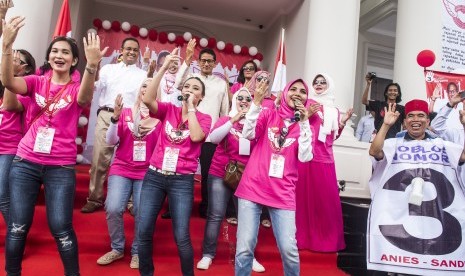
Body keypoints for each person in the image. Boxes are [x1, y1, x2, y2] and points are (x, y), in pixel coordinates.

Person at [1, 16, 106, 275]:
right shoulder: (37, 82)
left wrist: (92, 67)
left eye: (66, 52)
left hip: (60, 167)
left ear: (73, 60)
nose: (60, 55)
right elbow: (8, 82)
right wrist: (6, 46)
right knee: (17, 226)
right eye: (55, 51)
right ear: (49, 58)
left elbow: (84, 97)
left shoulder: (75, 87)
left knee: (61, 227)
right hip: (25, 162)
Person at [367, 100, 465, 275]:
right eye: (410, 116)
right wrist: (386, 125)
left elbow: (462, 156)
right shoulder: (393, 144)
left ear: (428, 121)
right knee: (399, 267)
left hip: (434, 218)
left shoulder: (441, 145)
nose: (415, 119)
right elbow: (375, 151)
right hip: (400, 217)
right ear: (404, 122)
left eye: (421, 115)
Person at [138, 48, 212, 276]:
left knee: (181, 236)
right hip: (154, 176)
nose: (190, 90)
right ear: (181, 89)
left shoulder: (204, 118)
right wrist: (162, 68)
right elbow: (148, 99)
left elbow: (197, 137)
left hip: (182, 181)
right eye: (187, 86)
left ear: (201, 97)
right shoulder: (168, 109)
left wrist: (190, 108)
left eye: (195, 89)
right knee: (144, 231)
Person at [235, 79, 313, 276]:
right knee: (244, 249)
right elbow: (248, 133)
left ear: (306, 98)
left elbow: (305, 156)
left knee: (289, 250)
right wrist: (257, 103)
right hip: (253, 187)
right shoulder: (270, 113)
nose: (297, 93)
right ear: (285, 93)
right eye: (293, 89)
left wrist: (304, 123)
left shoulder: (304, 126)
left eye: (302, 91)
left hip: (283, 192)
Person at [196, 88, 265, 272]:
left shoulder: (257, 123)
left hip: (246, 177)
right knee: (216, 214)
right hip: (221, 172)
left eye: (248, 99)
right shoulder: (226, 119)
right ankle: (208, 254)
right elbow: (212, 138)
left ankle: (248, 256)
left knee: (247, 218)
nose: (243, 101)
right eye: (239, 98)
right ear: (234, 100)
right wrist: (233, 120)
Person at [96, 79, 161, 269]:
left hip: (147, 172)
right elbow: (110, 141)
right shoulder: (125, 113)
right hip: (122, 167)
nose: (146, 90)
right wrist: (115, 119)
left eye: (151, 87)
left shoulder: (161, 117)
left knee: (143, 211)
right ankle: (117, 248)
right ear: (139, 90)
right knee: (114, 207)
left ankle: (137, 251)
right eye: (143, 86)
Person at [82, 37, 147, 213]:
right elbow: (95, 86)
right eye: (128, 49)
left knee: (132, 160)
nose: (132, 52)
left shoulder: (142, 74)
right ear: (121, 50)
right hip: (107, 114)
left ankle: (132, 202)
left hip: (130, 118)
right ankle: (94, 199)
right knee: (99, 159)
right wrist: (94, 65)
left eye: (135, 50)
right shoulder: (108, 69)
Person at [296, 73, 351, 252]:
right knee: (304, 200)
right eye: (316, 82)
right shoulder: (307, 102)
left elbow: (331, 137)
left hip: (326, 158)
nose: (318, 85)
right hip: (307, 156)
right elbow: (297, 126)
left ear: (329, 85)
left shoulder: (334, 110)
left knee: (325, 202)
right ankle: (302, 238)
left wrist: (342, 123)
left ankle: (326, 240)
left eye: (323, 82)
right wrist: (306, 115)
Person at [176, 39, 229, 218]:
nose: (206, 63)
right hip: (187, 132)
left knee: (207, 175)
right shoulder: (192, 79)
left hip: (210, 138)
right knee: (181, 171)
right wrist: (187, 60)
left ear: (215, 64)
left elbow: (225, 113)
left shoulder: (221, 84)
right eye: (203, 60)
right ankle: (175, 207)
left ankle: (206, 208)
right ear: (199, 62)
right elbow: (178, 84)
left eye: (210, 61)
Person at [0, 48, 36, 224]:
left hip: (9, 147)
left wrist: (12, 76)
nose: (11, 62)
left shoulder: (28, 92)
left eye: (16, 60)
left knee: (2, 195)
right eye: (9, 59)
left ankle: (16, 235)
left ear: (26, 68)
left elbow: (9, 105)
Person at [361, 73, 405, 139]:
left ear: (398, 94)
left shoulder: (402, 109)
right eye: (390, 90)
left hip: (393, 140)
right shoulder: (378, 104)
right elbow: (364, 101)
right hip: (378, 138)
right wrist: (368, 84)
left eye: (395, 91)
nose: (392, 92)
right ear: (386, 93)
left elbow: (405, 125)